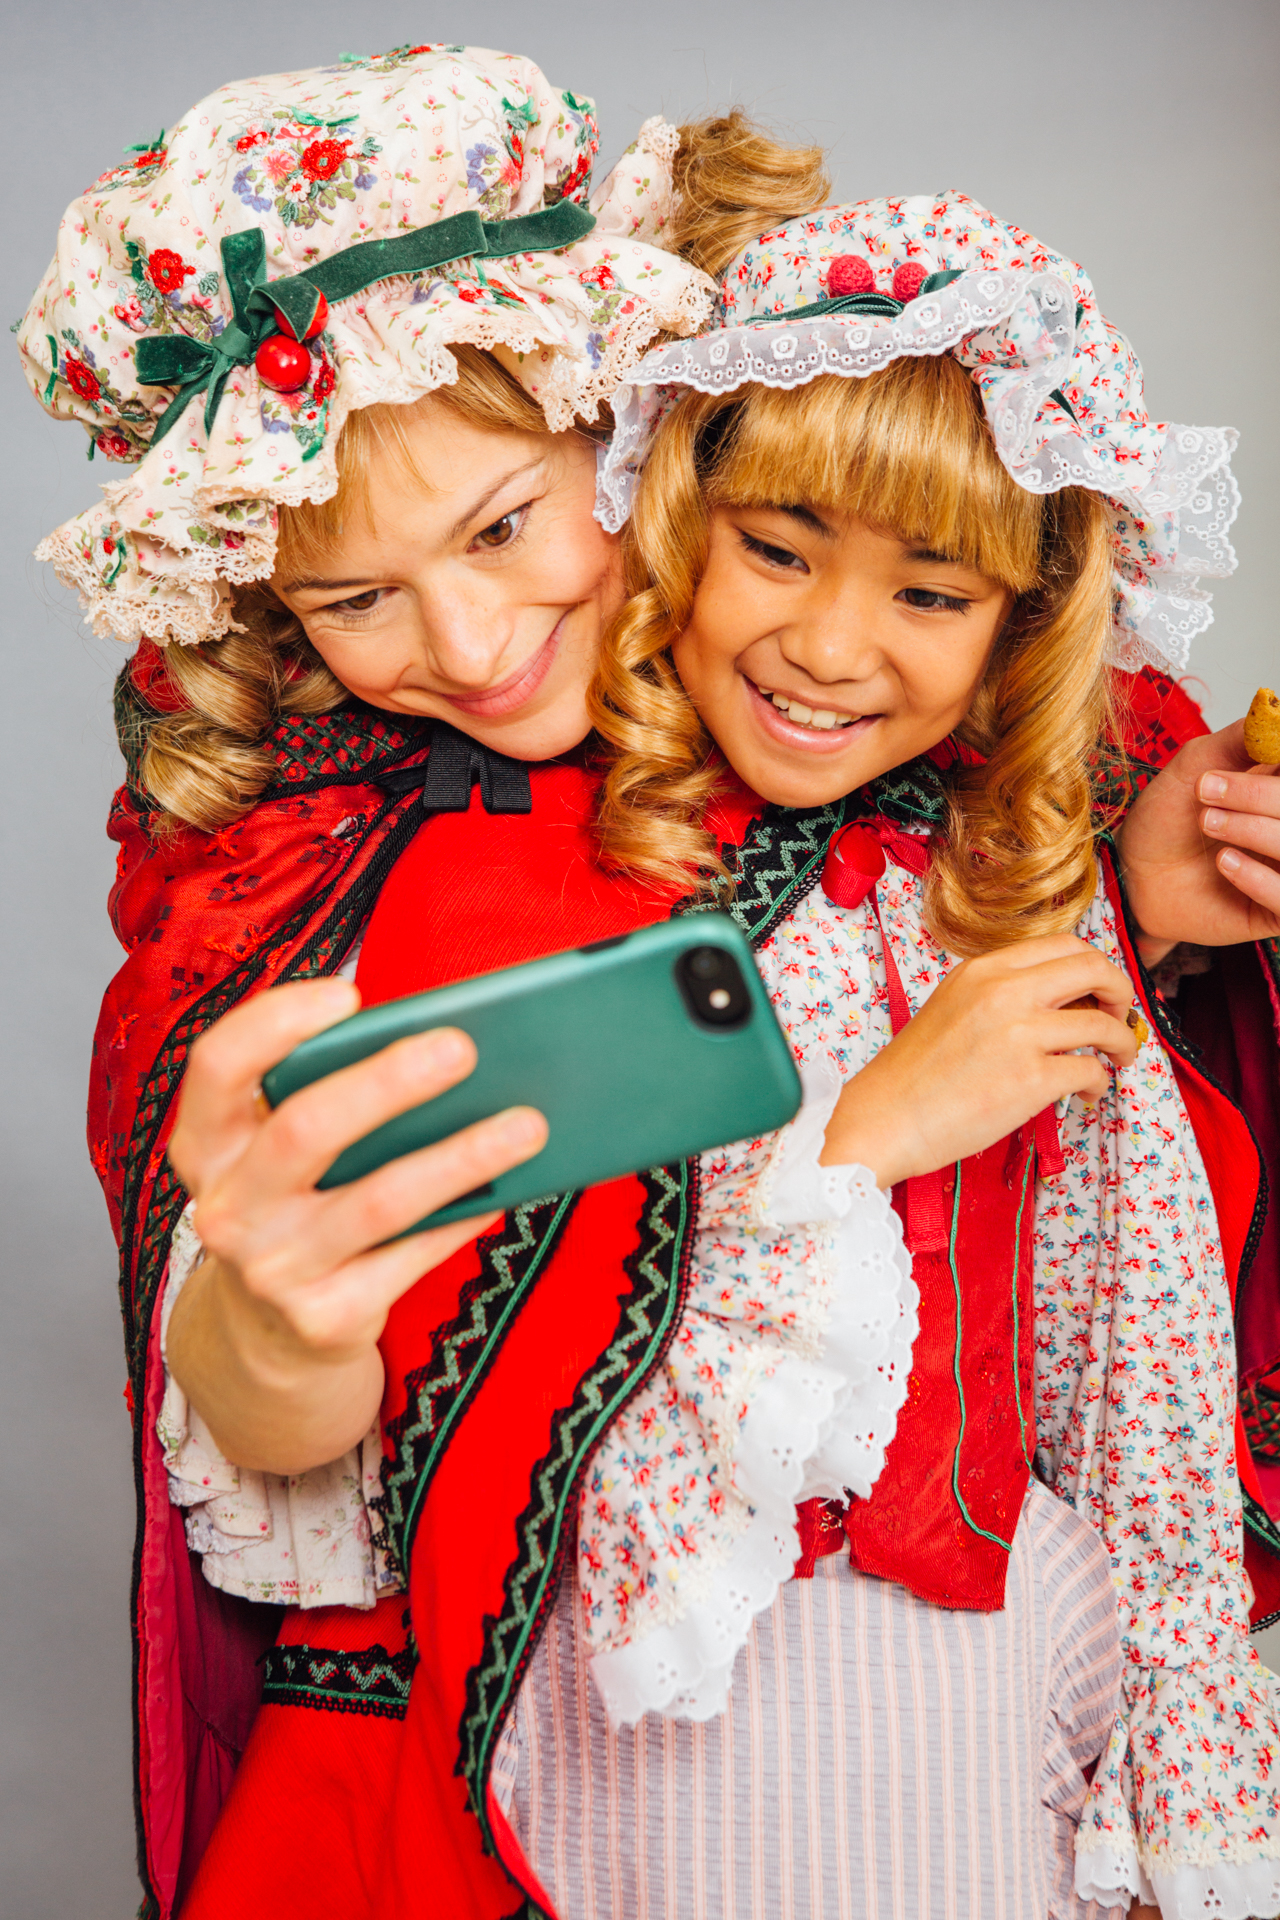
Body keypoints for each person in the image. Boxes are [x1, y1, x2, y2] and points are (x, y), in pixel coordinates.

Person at [18, 40, 842, 1918]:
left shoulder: (868, 686)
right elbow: (272, 1457)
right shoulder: (259, 879)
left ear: (624, 422)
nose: (468, 646)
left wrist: (1154, 879)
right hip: (424, 1785)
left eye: (502, 527)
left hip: (887, 1753)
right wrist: (284, 1322)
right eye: (352, 598)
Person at [566, 194, 1280, 1916]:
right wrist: (871, 1125)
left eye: (930, 590)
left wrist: (1175, 1780)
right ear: (678, 517)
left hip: (968, 1683)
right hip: (653, 1687)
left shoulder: (1017, 890)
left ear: (1020, 628)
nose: (829, 646)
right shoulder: (572, 865)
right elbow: (530, 1320)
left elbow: (1142, 1358)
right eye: (780, 548)